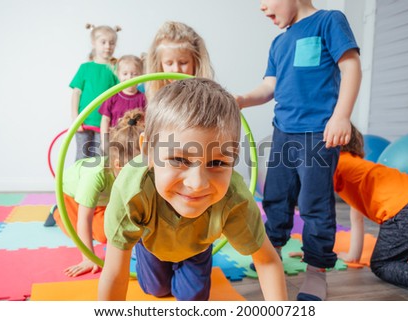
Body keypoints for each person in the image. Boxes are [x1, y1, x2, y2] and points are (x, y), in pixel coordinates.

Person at [98, 78, 288, 301]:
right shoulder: (132, 190)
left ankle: (190, 263)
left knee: (193, 299)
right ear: (148, 151)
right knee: (156, 290)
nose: (197, 184)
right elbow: (114, 273)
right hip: (152, 241)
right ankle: (147, 255)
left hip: (197, 246)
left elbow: (267, 261)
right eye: (179, 159)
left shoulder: (235, 199)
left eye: (217, 163)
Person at [234, 0, 362, 301]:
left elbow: (351, 67)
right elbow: (269, 87)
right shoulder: (279, 43)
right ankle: (272, 254)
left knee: (313, 204)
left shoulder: (329, 21)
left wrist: (341, 115)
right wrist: (242, 99)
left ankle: (317, 271)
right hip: (283, 133)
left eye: (265, 0)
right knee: (276, 198)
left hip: (318, 133)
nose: (262, 8)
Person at [47, 109, 144, 277]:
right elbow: (84, 220)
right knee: (100, 233)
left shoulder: (131, 171)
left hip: (103, 199)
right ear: (119, 166)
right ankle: (57, 211)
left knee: (120, 229)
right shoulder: (96, 175)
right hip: (72, 196)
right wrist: (88, 258)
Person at [334, 124, 408, 293]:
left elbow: (315, 205)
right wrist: (352, 256)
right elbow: (356, 220)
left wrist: (316, 253)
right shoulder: (361, 171)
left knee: (382, 264)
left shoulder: (337, 163)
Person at [70, 24, 121, 161]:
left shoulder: (116, 69)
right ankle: (79, 182)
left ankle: (98, 183)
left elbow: (119, 96)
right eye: (103, 42)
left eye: (112, 43)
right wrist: (75, 119)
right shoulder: (85, 68)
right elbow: (76, 94)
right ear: (94, 43)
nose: (107, 46)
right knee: (82, 156)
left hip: (104, 124)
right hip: (84, 121)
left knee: (100, 158)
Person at [144, 21, 214, 101]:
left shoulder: (207, 97)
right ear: (160, 65)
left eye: (183, 62)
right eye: (169, 63)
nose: (176, 69)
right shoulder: (158, 99)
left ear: (195, 62)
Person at [99, 55, 146, 150]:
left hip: (136, 144)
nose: (129, 77)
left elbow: (147, 121)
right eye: (125, 74)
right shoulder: (111, 96)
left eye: (134, 74)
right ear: (118, 74)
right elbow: (105, 120)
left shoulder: (144, 98)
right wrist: (104, 141)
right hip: (115, 142)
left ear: (140, 74)